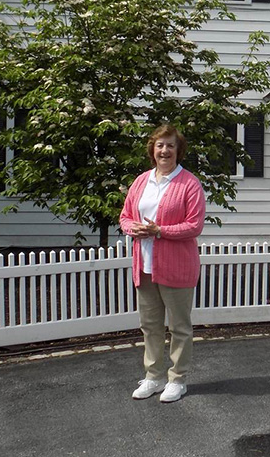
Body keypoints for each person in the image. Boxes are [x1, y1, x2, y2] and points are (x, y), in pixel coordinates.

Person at [119, 124, 205, 403]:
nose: (164, 150)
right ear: (152, 150)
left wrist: (160, 231)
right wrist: (134, 228)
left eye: (170, 145)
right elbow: (125, 217)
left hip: (177, 267)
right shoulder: (141, 181)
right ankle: (154, 377)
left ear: (179, 151)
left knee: (179, 327)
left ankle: (177, 379)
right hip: (144, 266)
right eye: (159, 145)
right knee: (151, 325)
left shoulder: (189, 184)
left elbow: (194, 225)